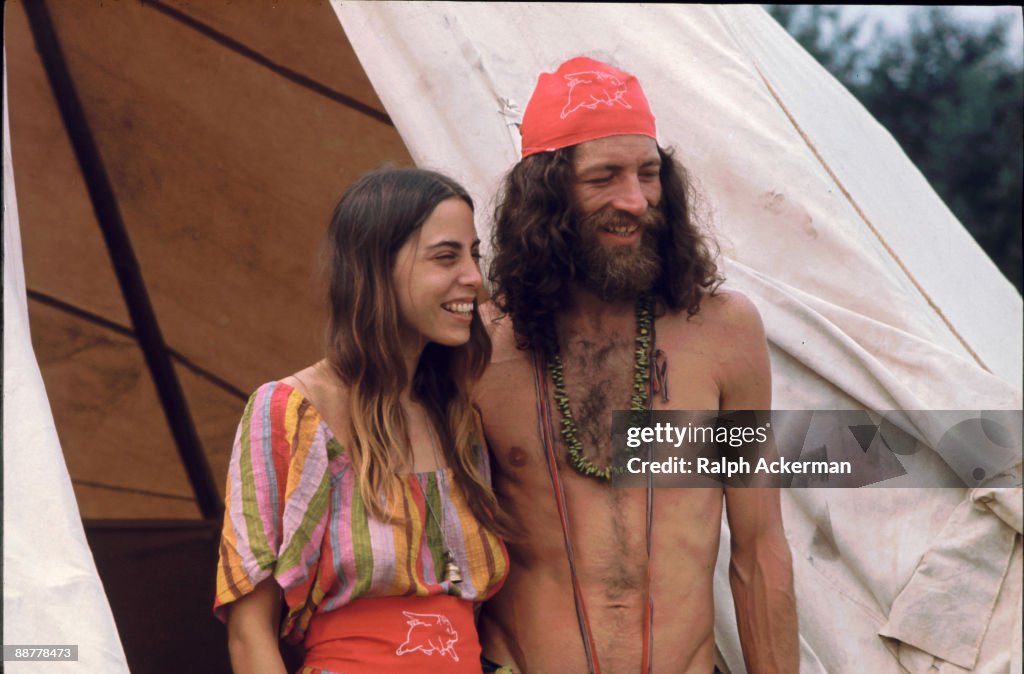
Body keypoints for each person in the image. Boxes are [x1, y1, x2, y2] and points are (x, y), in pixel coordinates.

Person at [475, 56, 799, 673]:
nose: (636, 200)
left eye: (649, 175)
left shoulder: (724, 331)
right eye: (605, 177)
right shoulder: (484, 346)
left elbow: (759, 552)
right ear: (547, 195)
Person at [213, 167, 511, 673]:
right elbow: (248, 630)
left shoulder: (458, 415)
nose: (474, 279)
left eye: (474, 255)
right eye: (446, 256)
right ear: (375, 267)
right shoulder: (289, 410)